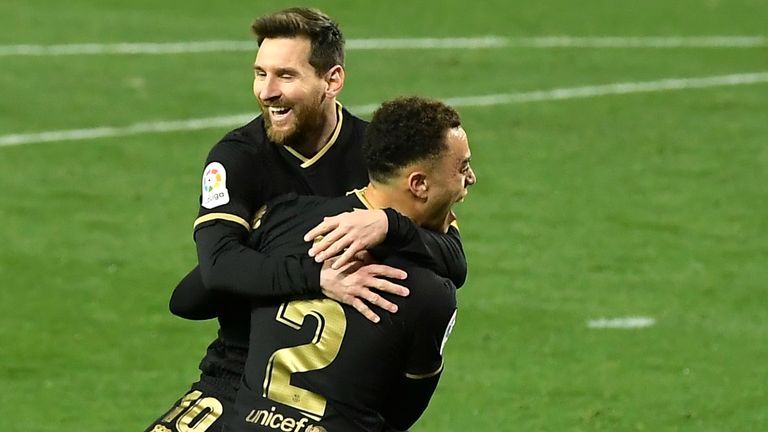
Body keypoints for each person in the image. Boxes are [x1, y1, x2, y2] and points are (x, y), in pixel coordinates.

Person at [146, 8, 467, 432]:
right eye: (260, 74)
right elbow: (218, 268)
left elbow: (453, 260)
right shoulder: (238, 158)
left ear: (332, 80)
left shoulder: (379, 154)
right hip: (238, 364)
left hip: (341, 381)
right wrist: (316, 276)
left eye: (285, 76)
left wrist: (390, 225)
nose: (267, 91)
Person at [222, 96, 477, 431]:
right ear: (418, 184)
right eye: (462, 168)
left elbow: (190, 296)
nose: (470, 178)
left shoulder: (285, 218)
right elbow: (401, 415)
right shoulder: (431, 293)